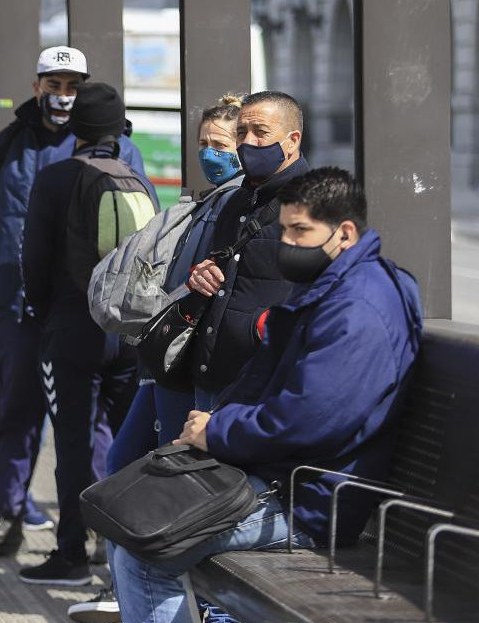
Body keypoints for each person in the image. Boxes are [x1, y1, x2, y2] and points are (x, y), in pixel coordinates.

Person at [71, 167, 423, 623]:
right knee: (126, 513)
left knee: (144, 550)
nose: (288, 244)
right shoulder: (334, 286)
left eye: (301, 231)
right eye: (286, 230)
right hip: (282, 475)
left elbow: (309, 419)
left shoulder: (358, 310)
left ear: (345, 233)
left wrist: (217, 431)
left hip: (310, 500)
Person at [0, 45, 149, 562]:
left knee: (90, 423)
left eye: (73, 85)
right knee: (14, 414)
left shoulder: (118, 149)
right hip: (16, 309)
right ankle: (6, 514)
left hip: (84, 313)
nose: (63, 95)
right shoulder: (9, 144)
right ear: (36, 85)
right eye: (54, 84)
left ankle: (97, 526)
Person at [19, 82, 152, 585]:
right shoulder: (137, 179)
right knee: (128, 446)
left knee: (72, 445)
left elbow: (32, 260)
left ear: (75, 127)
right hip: (130, 336)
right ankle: (128, 560)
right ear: (119, 128)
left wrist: (45, 311)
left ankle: (72, 553)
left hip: (72, 329)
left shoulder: (54, 178)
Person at [105, 95, 245, 475]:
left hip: (186, 356)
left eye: (221, 146)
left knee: (153, 465)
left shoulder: (238, 203)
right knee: (123, 460)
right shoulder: (208, 203)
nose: (209, 154)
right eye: (203, 144)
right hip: (166, 351)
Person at [187, 91, 311, 411]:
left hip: (264, 387)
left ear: (292, 140)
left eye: (261, 132)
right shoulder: (236, 202)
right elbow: (222, 270)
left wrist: (264, 328)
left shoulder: (313, 205)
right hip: (212, 376)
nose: (248, 142)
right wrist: (201, 275)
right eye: (241, 132)